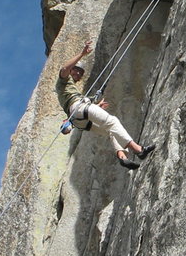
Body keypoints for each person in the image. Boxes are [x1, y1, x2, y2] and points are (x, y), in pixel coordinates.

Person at [56, 41, 155, 170]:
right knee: (113, 122)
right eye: (77, 71)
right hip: (78, 109)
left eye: (81, 73)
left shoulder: (71, 89)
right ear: (72, 70)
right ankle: (138, 149)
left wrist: (96, 104)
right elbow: (64, 69)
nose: (79, 75)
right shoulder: (64, 81)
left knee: (111, 131)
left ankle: (122, 157)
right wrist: (82, 54)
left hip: (78, 118)